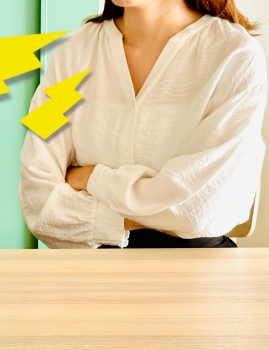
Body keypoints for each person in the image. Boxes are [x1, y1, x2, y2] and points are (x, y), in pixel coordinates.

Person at [19, 0, 267, 249]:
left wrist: (92, 178)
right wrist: (164, 212)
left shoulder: (236, 55)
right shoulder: (71, 52)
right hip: (90, 259)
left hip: (197, 263)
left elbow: (203, 208)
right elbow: (39, 201)